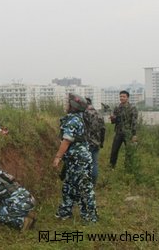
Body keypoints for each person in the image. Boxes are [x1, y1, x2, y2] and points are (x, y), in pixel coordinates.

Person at [53, 93, 97, 222]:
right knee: (68, 186)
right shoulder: (76, 117)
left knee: (84, 187)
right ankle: (65, 212)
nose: (65, 105)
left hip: (79, 160)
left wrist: (57, 157)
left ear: (73, 106)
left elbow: (66, 141)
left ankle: (89, 216)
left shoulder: (73, 120)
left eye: (67, 103)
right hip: (73, 160)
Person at [0, 155, 36, 230]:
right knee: (7, 203)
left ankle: (23, 221)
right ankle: (27, 213)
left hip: (19, 203)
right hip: (27, 197)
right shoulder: (1, 172)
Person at [109, 90, 139, 172]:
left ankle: (128, 169)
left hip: (128, 133)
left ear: (127, 98)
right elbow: (114, 122)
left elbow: (134, 122)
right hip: (118, 132)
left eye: (123, 96)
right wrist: (112, 118)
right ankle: (111, 168)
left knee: (129, 152)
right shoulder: (117, 108)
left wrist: (134, 134)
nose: (121, 98)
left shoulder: (132, 108)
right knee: (114, 151)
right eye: (120, 96)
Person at [84, 98, 106, 185]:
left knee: (85, 163)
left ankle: (85, 183)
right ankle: (93, 184)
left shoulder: (84, 114)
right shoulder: (99, 114)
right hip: (96, 143)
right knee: (94, 163)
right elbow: (103, 130)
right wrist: (101, 142)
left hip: (85, 143)